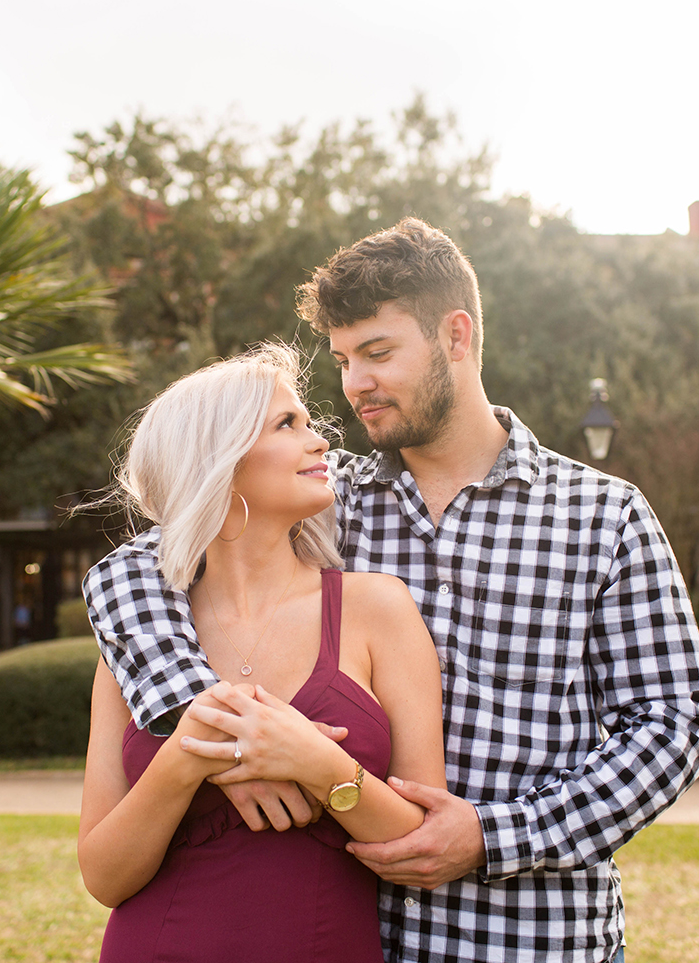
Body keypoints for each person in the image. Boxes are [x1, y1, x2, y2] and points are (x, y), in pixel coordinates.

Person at [86, 218, 699, 963]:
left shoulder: (602, 516)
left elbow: (673, 724)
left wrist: (493, 836)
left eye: (378, 354)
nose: (355, 385)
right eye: (345, 359)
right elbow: (135, 568)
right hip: (362, 930)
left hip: (534, 937)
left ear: (456, 336)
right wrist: (211, 720)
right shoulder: (327, 501)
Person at [76, 345, 447, 962]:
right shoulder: (138, 642)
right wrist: (191, 755)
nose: (322, 441)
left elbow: (419, 841)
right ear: (219, 460)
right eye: (287, 424)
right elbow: (104, 877)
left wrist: (313, 760)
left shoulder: (375, 608)